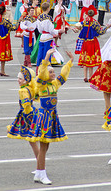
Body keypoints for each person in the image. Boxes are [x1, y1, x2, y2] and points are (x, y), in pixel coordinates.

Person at [28, 48, 74, 185]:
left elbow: (64, 75)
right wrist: (47, 55)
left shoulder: (54, 84)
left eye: (53, 71)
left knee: (45, 147)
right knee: (43, 146)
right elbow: (41, 70)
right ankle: (41, 173)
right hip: (44, 117)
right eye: (51, 72)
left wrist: (70, 61)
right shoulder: (41, 85)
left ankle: (39, 172)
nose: (53, 73)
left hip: (52, 116)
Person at [7, 66, 39, 166]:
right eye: (18, 78)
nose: (18, 80)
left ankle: (40, 166)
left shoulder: (23, 91)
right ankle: (40, 165)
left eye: (20, 78)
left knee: (32, 142)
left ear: (26, 80)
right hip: (33, 113)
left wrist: (26, 115)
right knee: (33, 142)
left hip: (27, 115)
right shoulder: (30, 88)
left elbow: (26, 105)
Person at [74, 6, 109, 82]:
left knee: (85, 59)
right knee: (91, 60)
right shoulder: (95, 22)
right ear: (94, 14)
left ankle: (85, 76)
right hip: (92, 42)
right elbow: (101, 32)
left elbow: (78, 26)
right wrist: (107, 27)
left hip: (85, 42)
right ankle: (90, 77)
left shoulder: (84, 22)